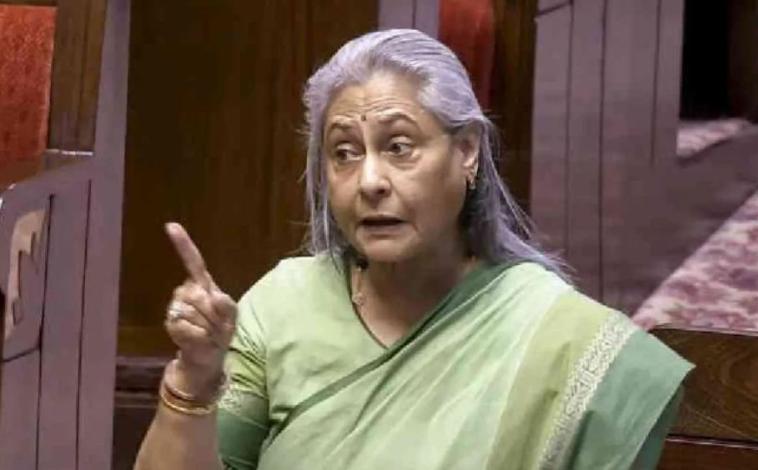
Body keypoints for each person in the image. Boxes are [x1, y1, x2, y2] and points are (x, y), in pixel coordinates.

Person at [134, 29, 692, 470]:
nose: (369, 181)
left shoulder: (557, 337)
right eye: (345, 153)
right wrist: (194, 377)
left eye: (399, 147)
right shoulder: (283, 303)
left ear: (467, 151)